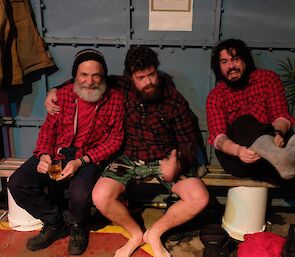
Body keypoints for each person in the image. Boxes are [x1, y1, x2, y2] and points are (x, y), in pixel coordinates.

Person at [45, 46, 209, 257]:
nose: (148, 81)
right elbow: (87, 81)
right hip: (130, 157)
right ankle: (135, 234)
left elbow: (188, 141)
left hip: (164, 158)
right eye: (141, 77)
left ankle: (155, 233)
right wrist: (54, 91)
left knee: (199, 197)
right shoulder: (121, 86)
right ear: (130, 77)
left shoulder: (174, 99)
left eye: (151, 75)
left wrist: (179, 163)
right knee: (101, 196)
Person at [8, 49, 124, 255]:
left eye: (96, 75)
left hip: (88, 156)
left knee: (79, 194)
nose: (90, 81)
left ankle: (77, 225)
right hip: (57, 153)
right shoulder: (62, 95)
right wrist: (44, 154)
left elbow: (115, 140)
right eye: (84, 75)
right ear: (75, 76)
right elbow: (48, 129)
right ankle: (54, 222)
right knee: (17, 183)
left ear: (103, 75)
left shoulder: (115, 99)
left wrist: (82, 161)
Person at [206, 38, 295, 257]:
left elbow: (281, 115)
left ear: (245, 60)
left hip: (272, 156)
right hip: (238, 157)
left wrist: (277, 133)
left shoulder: (267, 79)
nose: (231, 65)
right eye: (224, 61)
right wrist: (239, 151)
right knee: (244, 122)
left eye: (235, 59)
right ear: (219, 67)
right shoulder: (217, 95)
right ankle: (281, 158)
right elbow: (218, 137)